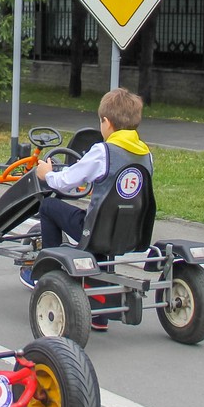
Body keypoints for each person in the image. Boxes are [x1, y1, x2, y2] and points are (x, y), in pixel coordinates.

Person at [25, 87, 153, 331]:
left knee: (49, 206)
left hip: (95, 229)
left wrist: (47, 173)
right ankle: (99, 315)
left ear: (106, 122)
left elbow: (66, 181)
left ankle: (49, 272)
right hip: (129, 231)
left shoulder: (102, 151)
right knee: (104, 236)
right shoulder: (146, 154)